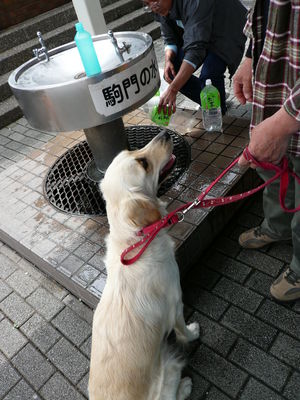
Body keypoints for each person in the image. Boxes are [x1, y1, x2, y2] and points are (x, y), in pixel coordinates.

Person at [233, 0, 300, 301]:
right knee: (275, 167)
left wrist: (285, 122)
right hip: (279, 79)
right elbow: (266, 8)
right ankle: (278, 226)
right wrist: (250, 56)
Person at [143, 0, 247, 115]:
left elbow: (196, 50)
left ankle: (218, 113)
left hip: (225, 28)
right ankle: (211, 99)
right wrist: (168, 60)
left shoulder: (195, 2)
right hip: (199, 34)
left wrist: (173, 89)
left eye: (155, 0)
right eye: (147, 4)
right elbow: (169, 37)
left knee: (209, 75)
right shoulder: (160, 8)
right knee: (172, 72)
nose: (153, 7)